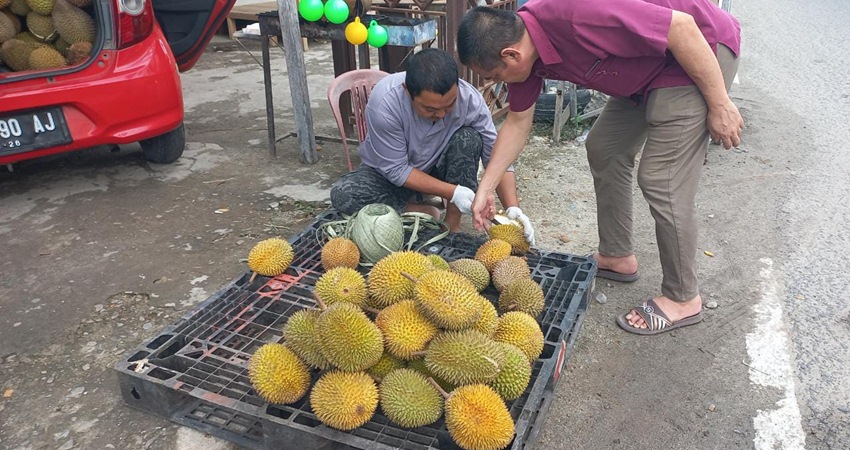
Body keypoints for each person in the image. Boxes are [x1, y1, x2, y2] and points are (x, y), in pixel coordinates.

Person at [457, 0, 742, 335]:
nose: (497, 83)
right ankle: (617, 256)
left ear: (510, 55)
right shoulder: (524, 54)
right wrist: (486, 188)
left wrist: (720, 103)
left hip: (697, 51)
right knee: (604, 148)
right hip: (644, 71)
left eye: (494, 76)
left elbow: (680, 28)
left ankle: (683, 298)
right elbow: (518, 123)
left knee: (661, 178)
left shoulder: (575, 14)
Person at [330, 48, 535, 239]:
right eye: (430, 109)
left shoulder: (469, 100)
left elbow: (497, 156)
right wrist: (453, 192)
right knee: (344, 195)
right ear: (408, 91)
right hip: (387, 175)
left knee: (468, 139)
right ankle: (418, 210)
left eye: (449, 105)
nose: (441, 114)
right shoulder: (385, 103)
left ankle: (451, 223)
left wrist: (513, 209)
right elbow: (397, 170)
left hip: (436, 168)